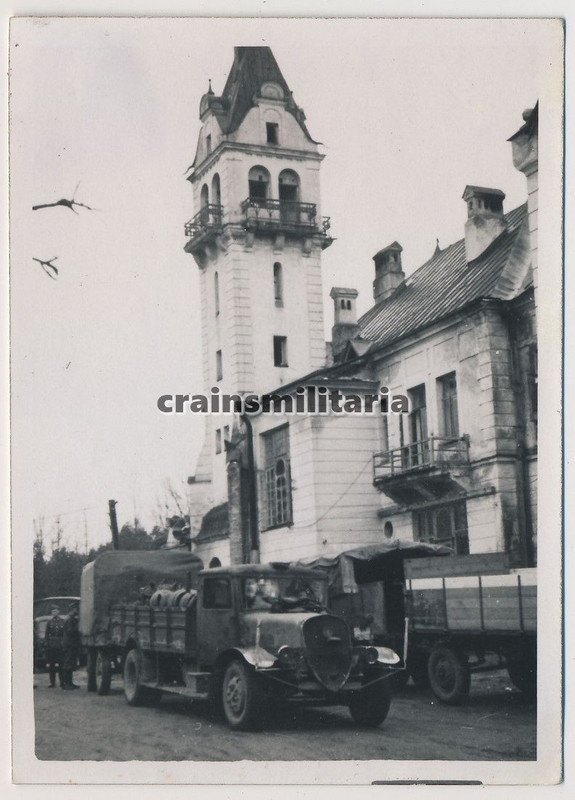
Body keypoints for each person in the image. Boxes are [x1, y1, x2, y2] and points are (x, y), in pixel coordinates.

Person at [44, 607, 65, 688]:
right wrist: (47, 643)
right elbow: (46, 634)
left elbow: (65, 634)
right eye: (52, 611)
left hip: (60, 645)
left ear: (58, 612)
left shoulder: (62, 621)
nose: (54, 613)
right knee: (52, 664)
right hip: (52, 645)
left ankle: (62, 681)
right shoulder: (49, 622)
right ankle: (52, 682)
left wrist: (64, 643)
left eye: (55, 611)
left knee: (61, 664)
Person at [61, 607, 81, 690]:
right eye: (75, 610)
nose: (76, 611)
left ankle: (70, 683)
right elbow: (70, 631)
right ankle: (66, 684)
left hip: (71, 644)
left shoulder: (71, 619)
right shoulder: (70, 620)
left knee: (71, 664)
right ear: (72, 610)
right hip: (69, 644)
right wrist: (78, 626)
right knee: (68, 664)